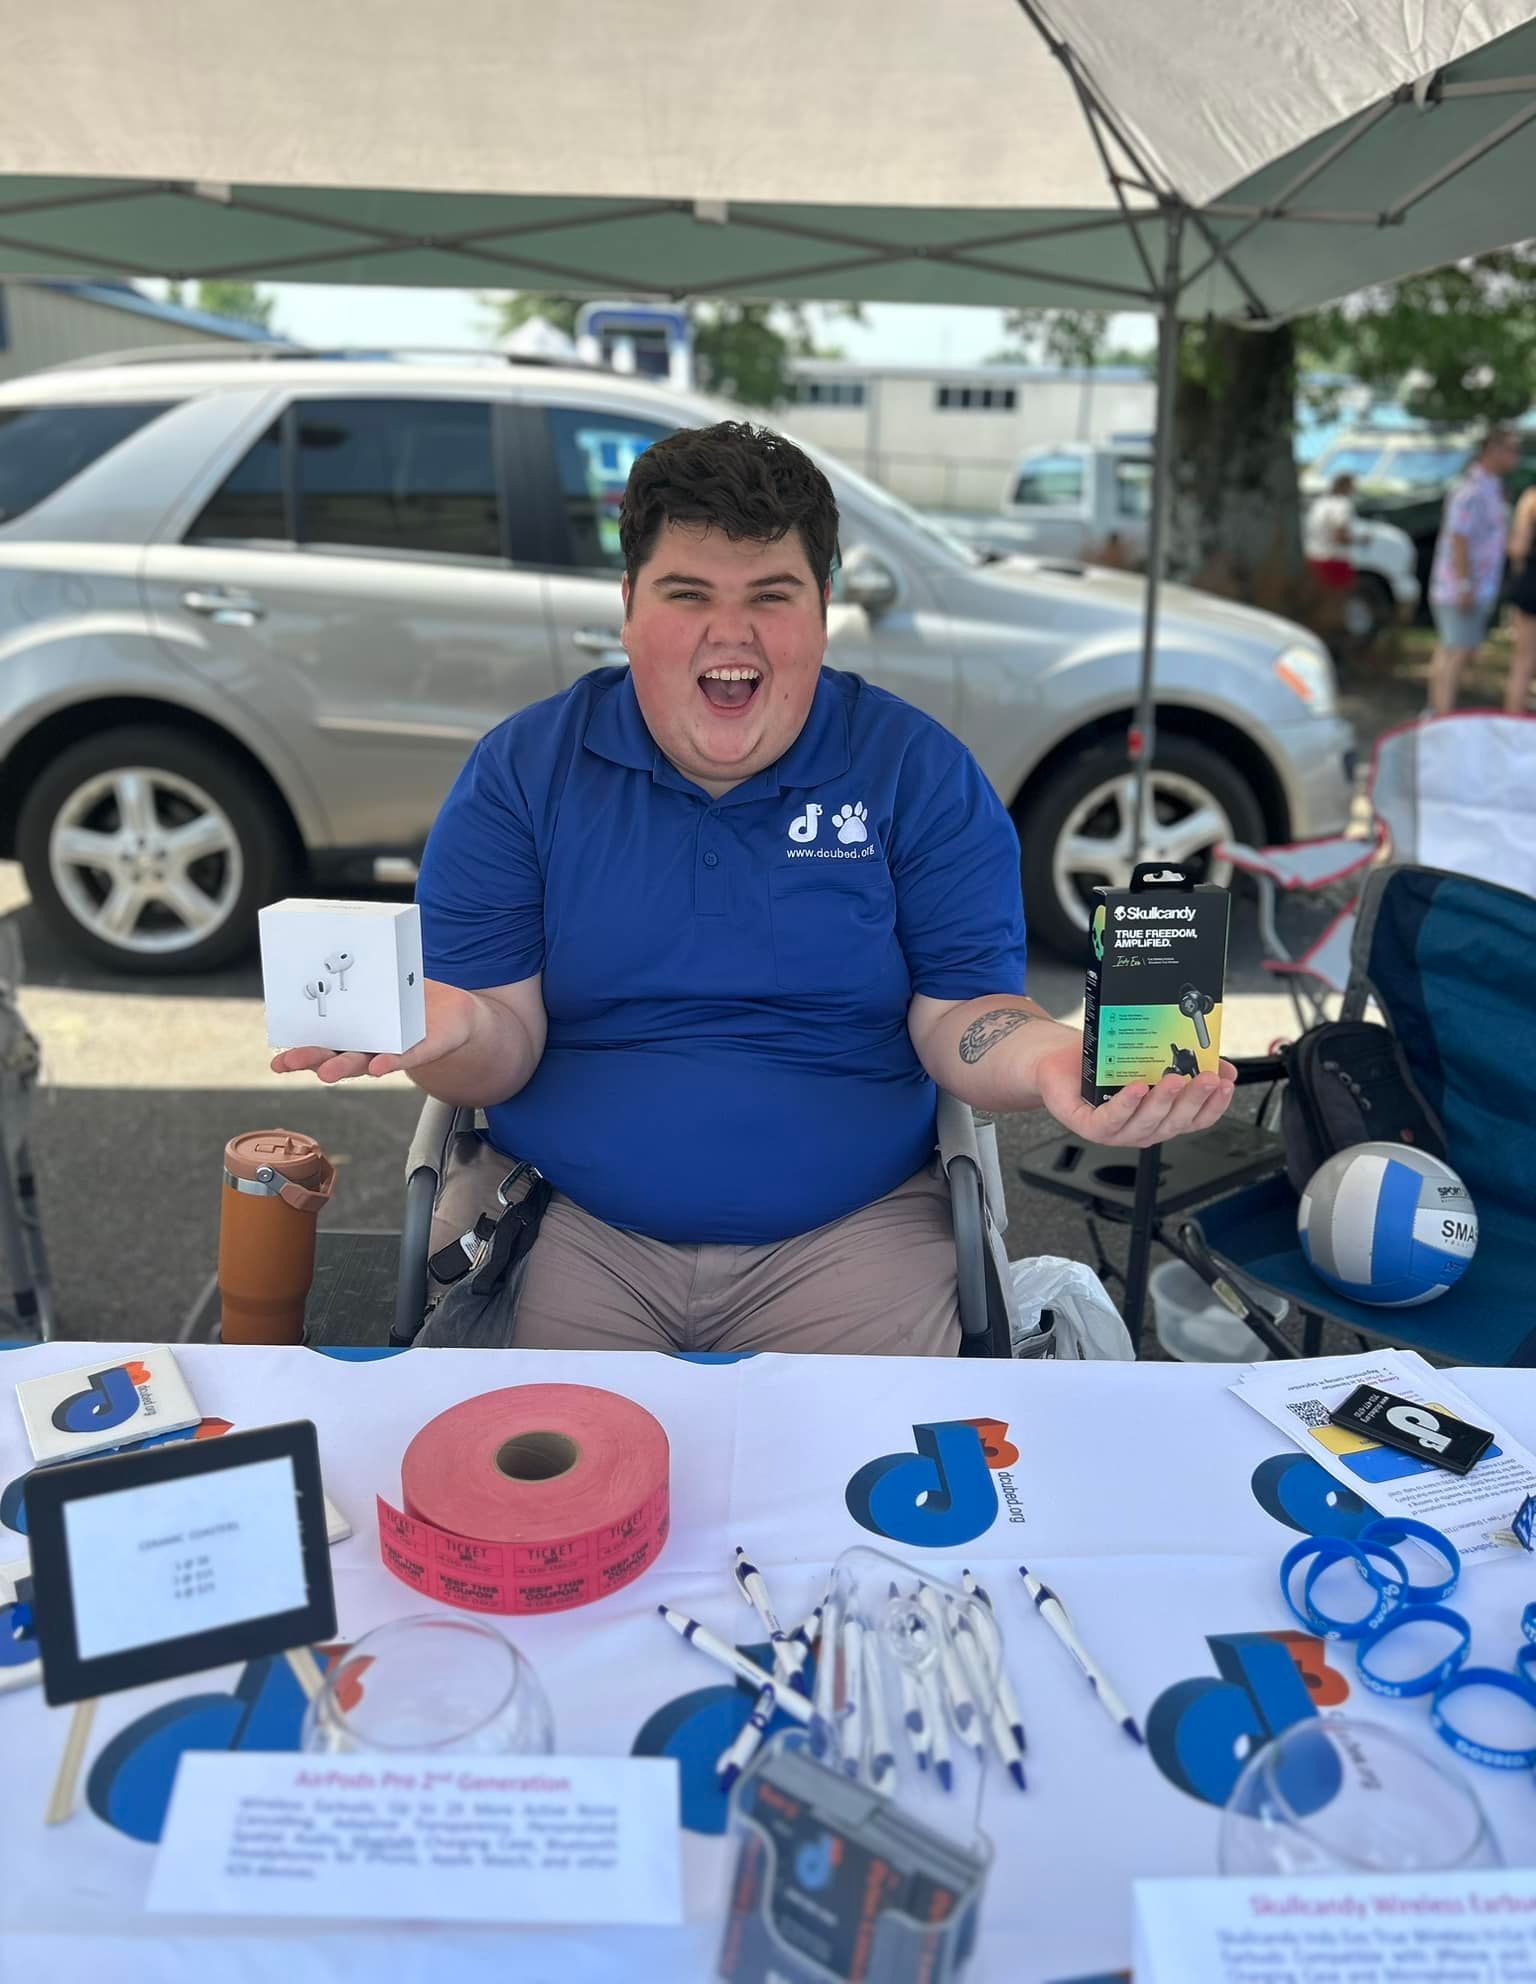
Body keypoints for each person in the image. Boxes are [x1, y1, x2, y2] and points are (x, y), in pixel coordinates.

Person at [274, 422, 1236, 1355]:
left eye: (771, 596)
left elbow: (965, 1017)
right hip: (579, 1230)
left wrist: (1050, 1065)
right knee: (568, 1488)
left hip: (857, 1238)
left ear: (823, 605)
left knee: (862, 1500)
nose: (729, 635)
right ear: (628, 606)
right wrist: (447, 1033)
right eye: (686, 593)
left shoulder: (916, 772)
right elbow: (500, 1048)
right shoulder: (524, 772)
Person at [1427, 425, 1519, 716]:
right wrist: (1465, 584)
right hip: (1460, 586)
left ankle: (1438, 708)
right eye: (1511, 450)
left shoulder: (1492, 489)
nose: (1515, 458)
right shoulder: (1470, 491)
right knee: (1456, 650)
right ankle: (1442, 713)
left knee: (1457, 648)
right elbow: (1459, 538)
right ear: (1492, 451)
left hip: (1480, 583)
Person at [1304, 473, 1360, 637]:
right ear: (1345, 487)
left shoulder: (1319, 503)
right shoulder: (1342, 505)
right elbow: (1339, 535)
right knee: (1337, 605)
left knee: (1318, 604)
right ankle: (1334, 640)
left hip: (1314, 557)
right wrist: (1358, 540)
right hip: (1335, 559)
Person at [1504, 474, 1536, 714]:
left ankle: (1514, 726)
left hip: (1532, 586)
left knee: (1523, 662)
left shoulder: (1531, 499)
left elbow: (1518, 548)